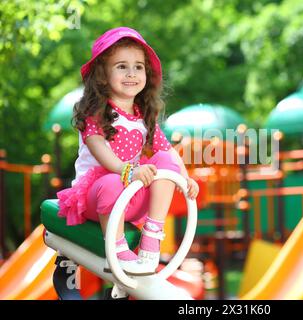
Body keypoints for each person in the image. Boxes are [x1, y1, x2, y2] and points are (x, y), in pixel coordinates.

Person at [57, 27, 199, 276]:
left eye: (139, 67)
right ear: (102, 75)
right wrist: (127, 170)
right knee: (111, 182)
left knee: (165, 159)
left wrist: (185, 178)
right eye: (122, 66)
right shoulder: (96, 114)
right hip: (98, 197)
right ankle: (117, 247)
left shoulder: (143, 116)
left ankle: (153, 233)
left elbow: (168, 151)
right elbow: (99, 148)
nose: (132, 73)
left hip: (131, 195)